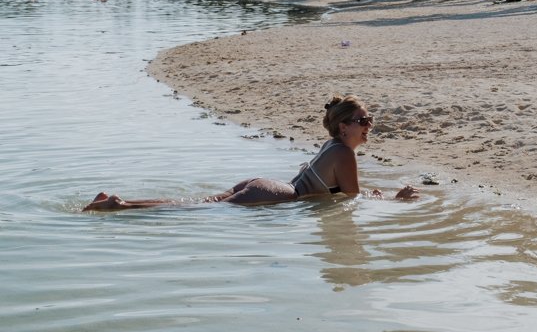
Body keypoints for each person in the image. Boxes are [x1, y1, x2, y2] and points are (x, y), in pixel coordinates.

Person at [82, 95, 421, 211]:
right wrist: (393, 199)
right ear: (344, 127)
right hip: (278, 195)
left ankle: (119, 203)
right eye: (363, 120)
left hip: (266, 185)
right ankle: (120, 206)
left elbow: (342, 195)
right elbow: (351, 201)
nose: (369, 126)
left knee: (200, 206)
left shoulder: (333, 146)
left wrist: (376, 195)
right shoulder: (345, 154)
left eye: (370, 120)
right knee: (191, 212)